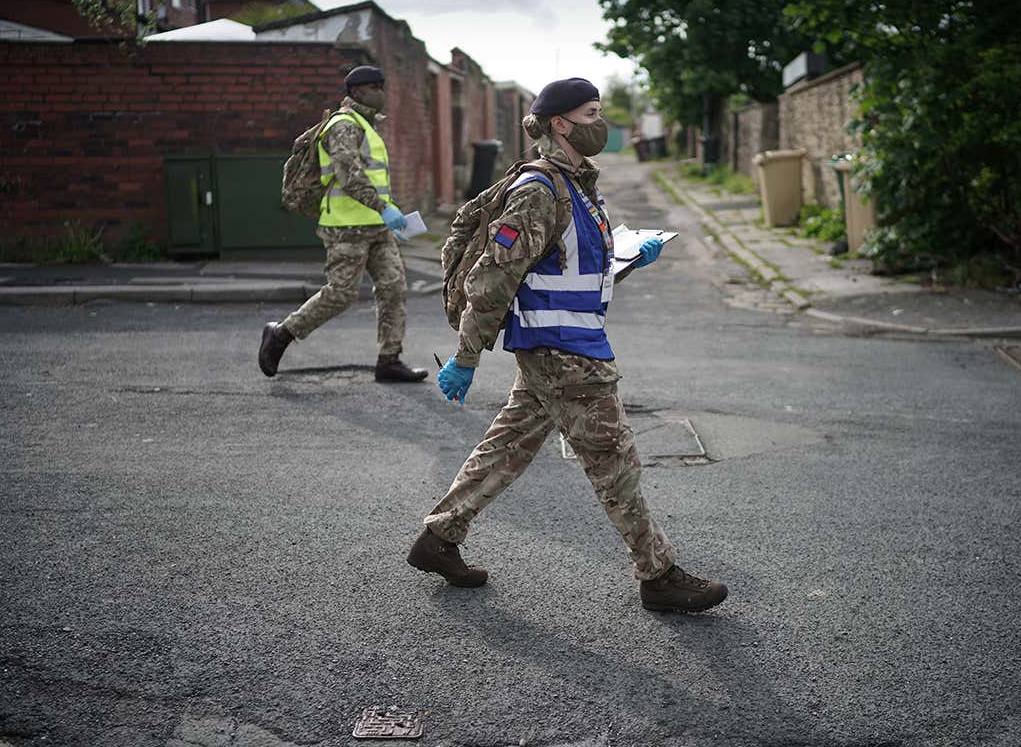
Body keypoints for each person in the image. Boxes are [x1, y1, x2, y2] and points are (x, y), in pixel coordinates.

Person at [406, 78, 728, 613]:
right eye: (592, 112)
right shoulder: (538, 190)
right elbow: (494, 278)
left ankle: (439, 538)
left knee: (510, 444)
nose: (601, 122)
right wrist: (466, 357)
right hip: (564, 353)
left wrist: (625, 262)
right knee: (613, 459)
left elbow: (569, 274)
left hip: (563, 345)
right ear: (561, 122)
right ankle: (659, 575)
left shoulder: (575, 185)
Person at [258, 65, 428, 383]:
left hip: (377, 226)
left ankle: (389, 360)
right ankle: (281, 333)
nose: (382, 92)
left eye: (382, 86)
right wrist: (384, 208)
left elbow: (372, 178)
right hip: (346, 228)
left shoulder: (366, 125)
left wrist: (389, 215)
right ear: (358, 92)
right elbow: (348, 176)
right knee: (341, 293)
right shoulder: (343, 125)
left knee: (393, 288)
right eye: (376, 87)